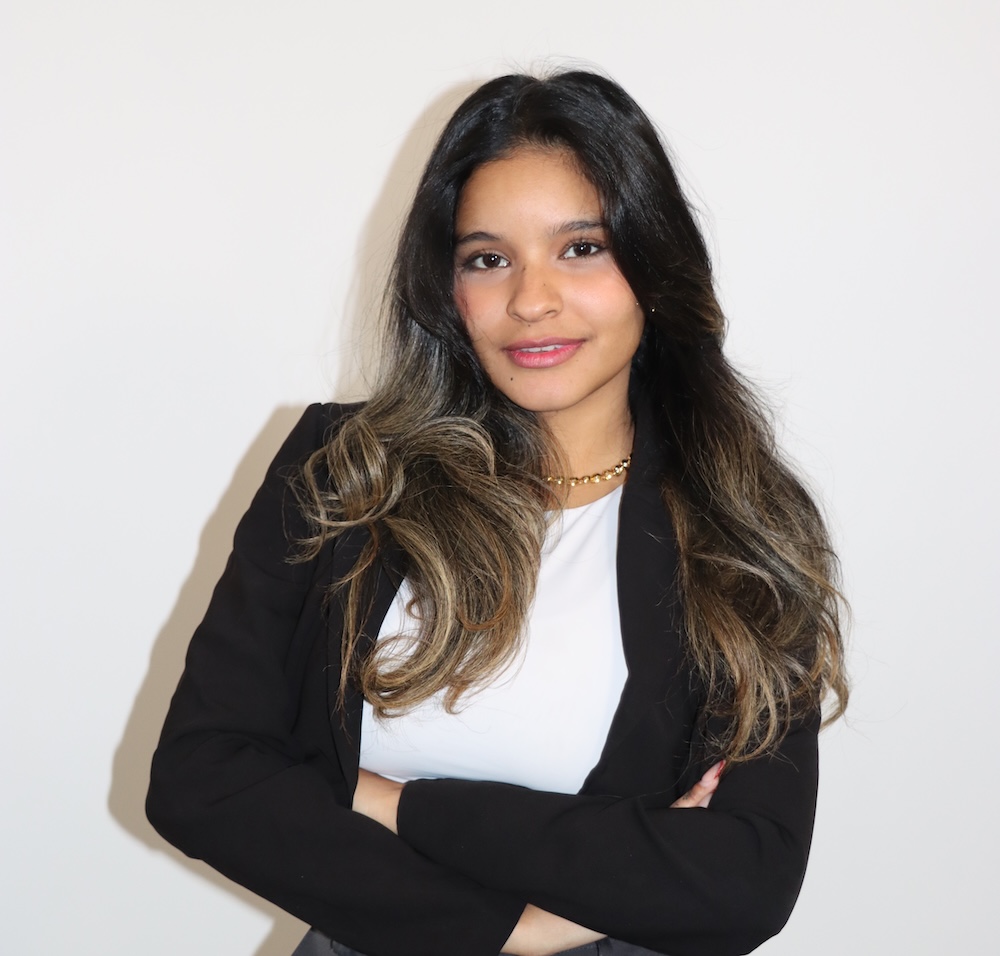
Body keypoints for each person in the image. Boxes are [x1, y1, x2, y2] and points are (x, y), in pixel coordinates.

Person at [147, 69, 847, 956]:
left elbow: (744, 878)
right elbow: (198, 779)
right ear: (449, 290)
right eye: (488, 258)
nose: (530, 298)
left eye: (581, 247)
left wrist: (386, 801)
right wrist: (513, 929)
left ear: (652, 264)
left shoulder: (741, 521)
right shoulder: (346, 472)